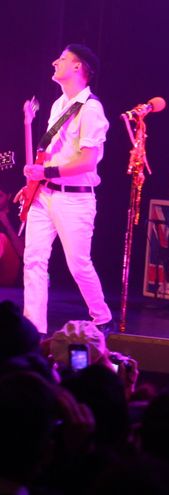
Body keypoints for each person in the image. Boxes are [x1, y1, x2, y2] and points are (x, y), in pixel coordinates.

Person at [19, 44, 113, 335]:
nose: (54, 62)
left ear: (77, 67)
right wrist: (33, 182)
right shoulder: (58, 104)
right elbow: (51, 155)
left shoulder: (91, 109)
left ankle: (102, 318)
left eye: (61, 59)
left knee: (78, 264)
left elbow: (88, 161)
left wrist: (45, 172)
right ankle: (34, 328)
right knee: (34, 260)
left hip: (75, 199)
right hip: (45, 194)